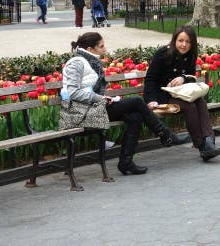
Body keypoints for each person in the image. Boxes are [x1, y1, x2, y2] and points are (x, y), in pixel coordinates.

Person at [61, 32, 189, 175]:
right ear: (90, 49)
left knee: (135, 116)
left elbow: (89, 90)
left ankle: (125, 162)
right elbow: (73, 93)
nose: (105, 49)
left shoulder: (89, 61)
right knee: (136, 101)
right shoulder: (76, 63)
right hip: (77, 114)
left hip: (91, 109)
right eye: (101, 46)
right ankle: (166, 135)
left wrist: (105, 99)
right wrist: (99, 99)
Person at [144, 26, 220, 161]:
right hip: (163, 96)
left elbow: (191, 77)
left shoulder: (190, 55)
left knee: (200, 101)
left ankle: (209, 141)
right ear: (174, 40)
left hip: (181, 94)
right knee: (190, 106)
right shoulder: (163, 54)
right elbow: (150, 79)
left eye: (188, 41)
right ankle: (202, 146)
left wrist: (183, 78)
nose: (184, 45)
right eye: (180, 40)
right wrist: (151, 100)